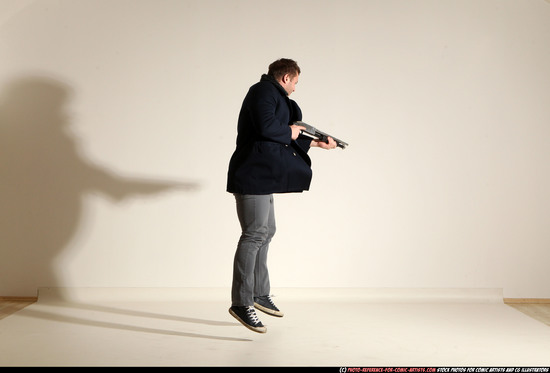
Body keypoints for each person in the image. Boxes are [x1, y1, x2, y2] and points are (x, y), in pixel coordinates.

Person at [226, 58, 337, 333]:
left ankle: (259, 293)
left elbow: (280, 132)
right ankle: (241, 302)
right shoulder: (262, 91)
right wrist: (292, 131)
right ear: (286, 77)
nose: (296, 88)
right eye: (296, 82)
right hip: (251, 174)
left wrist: (315, 142)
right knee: (254, 233)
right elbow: (268, 128)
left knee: (266, 230)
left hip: (261, 175)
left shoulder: (273, 96)